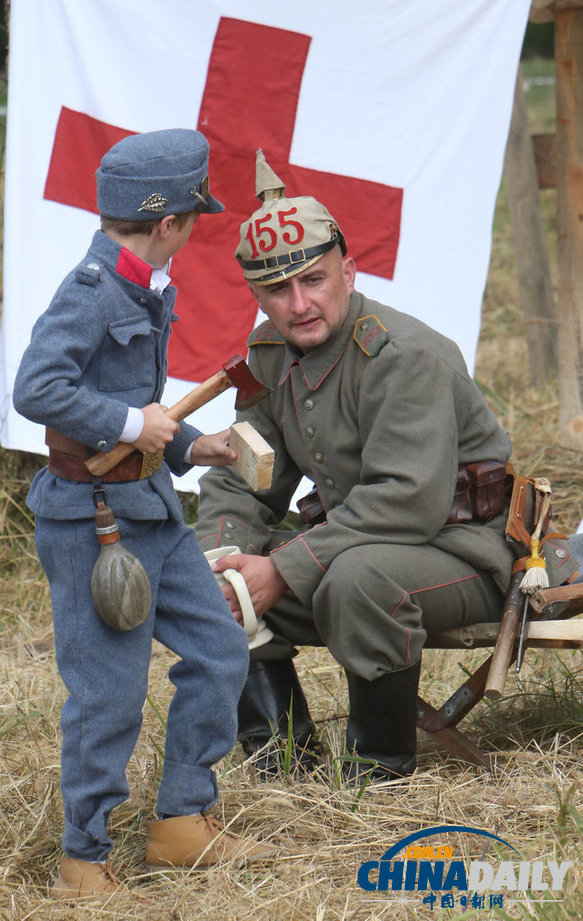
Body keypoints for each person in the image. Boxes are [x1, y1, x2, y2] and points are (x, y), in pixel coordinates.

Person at [195, 151, 578, 782]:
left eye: (313, 280)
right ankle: (286, 766)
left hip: (463, 548)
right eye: (276, 291)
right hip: (355, 545)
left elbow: (409, 500)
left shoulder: (405, 355)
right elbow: (242, 477)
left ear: (348, 269)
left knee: (361, 581)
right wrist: (223, 563)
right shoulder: (269, 356)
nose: (298, 304)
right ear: (255, 294)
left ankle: (378, 769)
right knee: (199, 577)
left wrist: (282, 569)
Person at [12, 130, 274, 900]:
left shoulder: (145, 283)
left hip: (150, 512)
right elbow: (36, 388)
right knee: (109, 694)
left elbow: (143, 408)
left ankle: (180, 822)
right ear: (167, 222)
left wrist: (196, 447)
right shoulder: (92, 290)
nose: (195, 227)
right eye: (192, 215)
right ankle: (82, 860)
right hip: (95, 524)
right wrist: (132, 428)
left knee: (222, 648)